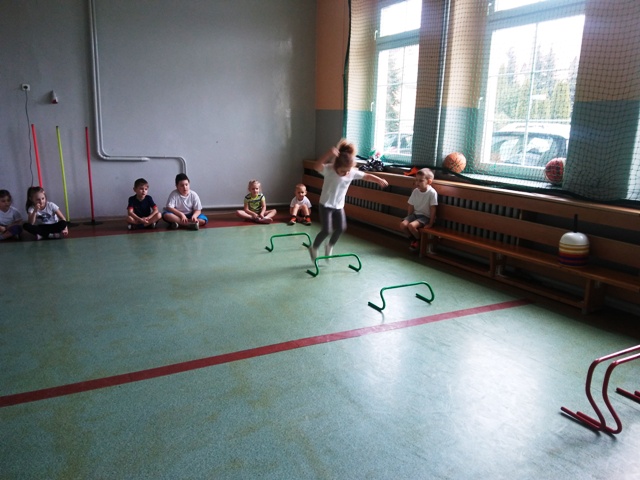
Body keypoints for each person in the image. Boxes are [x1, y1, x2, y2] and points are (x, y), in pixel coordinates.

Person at [309, 139, 389, 261]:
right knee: (326, 230)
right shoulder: (329, 170)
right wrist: (328, 154)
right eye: (343, 171)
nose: (346, 173)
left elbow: (366, 176)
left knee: (341, 228)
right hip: (325, 204)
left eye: (348, 171)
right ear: (336, 166)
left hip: (339, 206)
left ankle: (329, 245)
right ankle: (314, 248)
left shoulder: (350, 172)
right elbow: (316, 166)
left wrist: (378, 180)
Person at [400, 168, 438, 251]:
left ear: (429, 181)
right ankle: (413, 239)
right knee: (403, 225)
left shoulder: (432, 193)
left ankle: (419, 241)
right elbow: (411, 205)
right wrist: (408, 217)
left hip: (425, 217)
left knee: (411, 226)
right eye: (416, 180)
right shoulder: (415, 191)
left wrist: (431, 223)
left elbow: (433, 209)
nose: (417, 183)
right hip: (415, 215)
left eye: (421, 181)